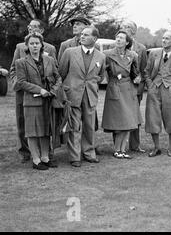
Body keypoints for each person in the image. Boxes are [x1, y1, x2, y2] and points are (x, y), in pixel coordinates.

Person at [9, 19, 57, 164]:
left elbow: (55, 71)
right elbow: (13, 70)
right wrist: (19, 83)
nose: (31, 29)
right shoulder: (20, 47)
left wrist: (50, 88)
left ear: (42, 31)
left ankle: (46, 154)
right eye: (30, 27)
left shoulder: (51, 49)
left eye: (35, 27)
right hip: (24, 92)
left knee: (45, 123)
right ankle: (25, 152)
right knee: (24, 122)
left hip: (45, 94)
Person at [59, 26, 106, 167]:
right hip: (72, 94)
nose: (82, 37)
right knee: (75, 126)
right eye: (82, 34)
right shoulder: (69, 52)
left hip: (90, 96)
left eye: (86, 35)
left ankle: (89, 153)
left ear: (94, 39)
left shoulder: (101, 56)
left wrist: (91, 85)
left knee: (90, 126)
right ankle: (75, 157)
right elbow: (61, 73)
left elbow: (100, 76)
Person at [145, 30, 171, 157]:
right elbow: (146, 71)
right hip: (155, 89)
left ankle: (170, 147)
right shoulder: (154, 54)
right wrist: (150, 85)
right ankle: (156, 147)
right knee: (153, 118)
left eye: (167, 38)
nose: (164, 40)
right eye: (163, 38)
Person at [102, 30, 142, 159]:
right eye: (117, 37)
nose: (118, 39)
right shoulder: (107, 54)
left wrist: (137, 78)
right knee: (121, 123)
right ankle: (117, 150)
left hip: (129, 89)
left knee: (129, 122)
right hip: (115, 88)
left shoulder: (133, 55)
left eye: (121, 38)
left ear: (127, 42)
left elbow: (137, 72)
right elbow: (101, 71)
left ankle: (122, 149)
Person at [119, 20, 148, 153]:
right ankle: (118, 146)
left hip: (135, 89)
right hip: (120, 88)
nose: (124, 28)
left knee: (135, 117)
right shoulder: (117, 46)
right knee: (119, 116)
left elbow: (143, 70)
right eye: (122, 27)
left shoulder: (141, 48)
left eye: (128, 27)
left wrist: (140, 85)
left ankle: (134, 145)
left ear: (134, 31)